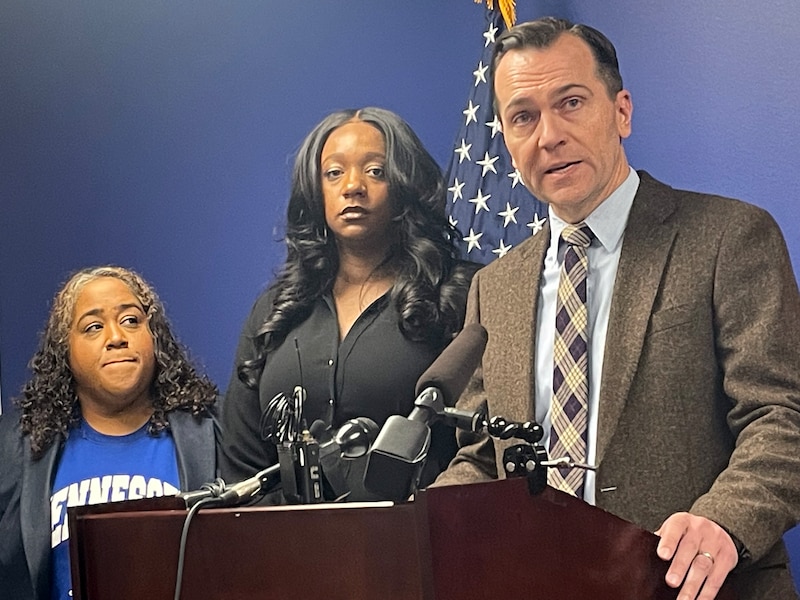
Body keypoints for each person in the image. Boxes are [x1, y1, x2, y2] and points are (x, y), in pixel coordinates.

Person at [434, 17, 800, 600]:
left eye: (571, 102)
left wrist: (724, 520)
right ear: (505, 138)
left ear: (621, 111)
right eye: (523, 117)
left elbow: (782, 416)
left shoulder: (730, 238)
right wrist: (425, 524)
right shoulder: (493, 288)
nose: (548, 135)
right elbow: (483, 459)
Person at [219, 107, 477, 502]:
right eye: (334, 173)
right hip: (283, 550)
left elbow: (479, 452)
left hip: (420, 545)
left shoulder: (463, 293)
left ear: (404, 185)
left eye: (375, 171)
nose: (353, 186)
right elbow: (241, 463)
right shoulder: (275, 311)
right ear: (315, 190)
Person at [0, 266, 219, 600]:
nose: (117, 337)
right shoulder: (18, 445)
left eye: (131, 320)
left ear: (154, 336)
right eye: (93, 327)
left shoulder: (213, 431)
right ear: (65, 351)